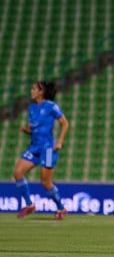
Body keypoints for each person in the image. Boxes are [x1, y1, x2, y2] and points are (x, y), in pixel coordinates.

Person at [13, 81, 69, 221]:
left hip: (48, 149)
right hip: (34, 147)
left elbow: (65, 123)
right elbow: (33, 129)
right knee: (18, 173)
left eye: (34, 88)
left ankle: (61, 208)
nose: (31, 90)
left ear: (41, 91)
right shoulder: (31, 108)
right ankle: (29, 205)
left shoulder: (51, 106)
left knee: (45, 182)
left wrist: (60, 141)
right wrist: (27, 131)